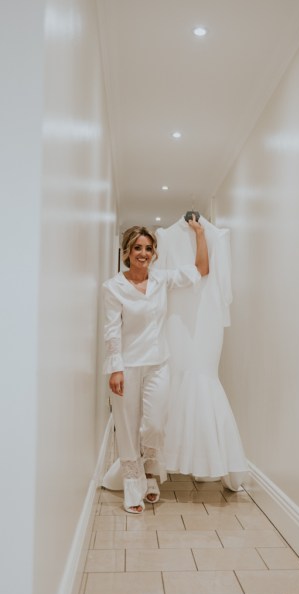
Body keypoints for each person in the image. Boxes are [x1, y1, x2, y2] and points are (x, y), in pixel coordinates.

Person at [102, 215, 209, 513]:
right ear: (126, 252)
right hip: (126, 367)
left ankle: (151, 472)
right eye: (137, 248)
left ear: (154, 254)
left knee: (154, 424)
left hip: (158, 363)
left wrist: (199, 232)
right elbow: (111, 330)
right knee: (125, 426)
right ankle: (134, 484)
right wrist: (115, 368)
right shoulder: (112, 287)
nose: (143, 254)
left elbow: (201, 270)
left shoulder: (162, 280)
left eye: (148, 249)